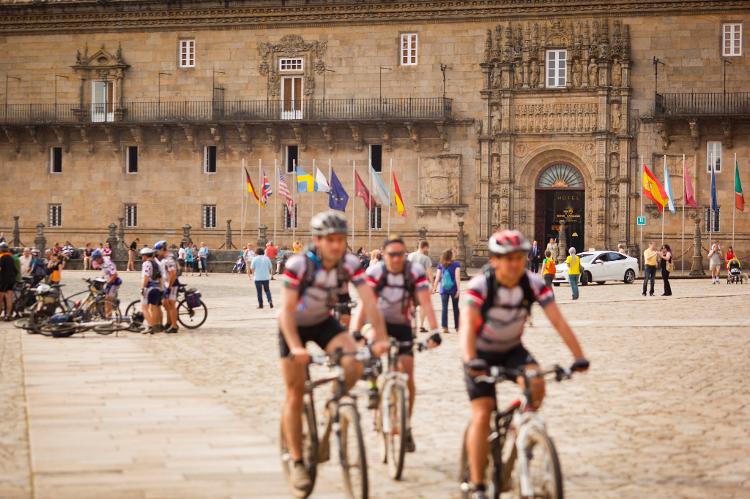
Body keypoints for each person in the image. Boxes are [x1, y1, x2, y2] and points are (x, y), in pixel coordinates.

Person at [459, 230, 589, 499]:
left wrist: (578, 356)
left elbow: (558, 320)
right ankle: (477, 485)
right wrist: (472, 361)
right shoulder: (480, 286)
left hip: (512, 350)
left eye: (520, 258)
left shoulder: (532, 283)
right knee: (482, 414)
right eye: (508, 258)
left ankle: (524, 431)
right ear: (495, 260)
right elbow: (466, 329)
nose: (515, 263)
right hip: (480, 353)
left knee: (537, 383)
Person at [278, 211, 388, 493]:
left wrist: (381, 338)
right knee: (295, 393)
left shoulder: (349, 264)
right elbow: (286, 313)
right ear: (317, 241)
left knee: (353, 363)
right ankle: (298, 460)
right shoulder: (298, 265)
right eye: (331, 240)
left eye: (341, 239)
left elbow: (369, 302)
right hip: (293, 327)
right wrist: (295, 347)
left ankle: (333, 401)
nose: (337, 245)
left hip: (322, 322)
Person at [352, 234, 442, 451]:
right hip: (378, 321)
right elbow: (365, 304)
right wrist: (355, 331)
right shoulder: (376, 272)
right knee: (372, 344)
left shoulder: (413, 272)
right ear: (384, 255)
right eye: (392, 255)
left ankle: (406, 426)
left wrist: (435, 330)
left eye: (401, 254)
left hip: (402, 324)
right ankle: (373, 385)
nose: (397, 259)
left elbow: (425, 302)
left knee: (408, 376)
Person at [408, 240, 433, 332]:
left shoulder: (410, 256)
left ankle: (412, 325)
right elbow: (429, 273)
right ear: (425, 247)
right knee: (423, 305)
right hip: (422, 285)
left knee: (411, 305)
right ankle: (421, 325)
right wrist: (433, 284)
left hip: (410, 283)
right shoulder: (426, 258)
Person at [155, 241, 179, 333]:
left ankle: (174, 326)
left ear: (162, 249)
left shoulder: (169, 259)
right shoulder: (167, 258)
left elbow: (173, 274)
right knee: (167, 304)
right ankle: (170, 323)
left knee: (172, 305)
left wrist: (169, 286)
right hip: (168, 284)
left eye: (158, 250)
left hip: (172, 284)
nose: (157, 252)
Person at [434, 249, 460, 333]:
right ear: (450, 255)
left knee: (444, 308)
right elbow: (457, 278)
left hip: (443, 289)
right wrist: (458, 290)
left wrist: (434, 288)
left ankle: (445, 327)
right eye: (453, 254)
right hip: (453, 289)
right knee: (455, 308)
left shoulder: (440, 265)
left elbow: (437, 278)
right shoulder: (456, 264)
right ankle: (457, 327)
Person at [91, 248, 122, 318]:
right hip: (110, 281)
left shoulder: (108, 262)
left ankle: (109, 317)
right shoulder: (101, 261)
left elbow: (115, 275)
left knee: (108, 300)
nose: (96, 262)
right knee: (105, 299)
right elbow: (104, 271)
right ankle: (107, 315)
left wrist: (107, 283)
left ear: (100, 258)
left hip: (115, 282)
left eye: (96, 260)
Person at [139, 247, 163, 334]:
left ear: (145, 256)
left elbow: (146, 277)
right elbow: (160, 277)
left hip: (149, 288)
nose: (142, 258)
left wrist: (142, 288)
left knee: (144, 308)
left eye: (142, 256)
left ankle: (150, 326)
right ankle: (156, 326)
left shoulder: (146, 264)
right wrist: (161, 288)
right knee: (155, 308)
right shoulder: (156, 263)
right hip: (156, 288)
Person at [0, 243, 17, 320]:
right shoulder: (11, 258)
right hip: (11, 280)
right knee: (9, 297)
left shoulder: (1, 258)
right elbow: (15, 270)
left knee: (0, 298)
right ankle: (8, 315)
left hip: (2, 280)